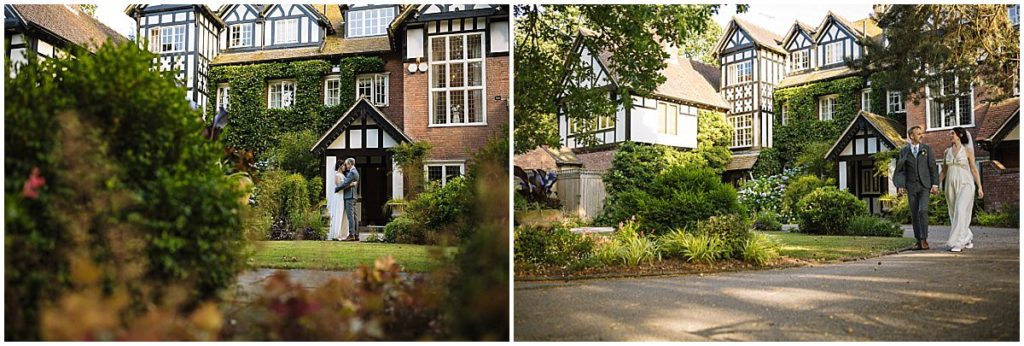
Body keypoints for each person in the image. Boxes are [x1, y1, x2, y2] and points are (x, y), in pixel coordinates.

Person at [893, 125, 940, 250]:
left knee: (922, 211)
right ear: (911, 136)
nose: (921, 135)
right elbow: (901, 169)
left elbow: (933, 167)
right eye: (918, 134)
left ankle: (924, 239)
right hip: (911, 186)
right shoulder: (904, 151)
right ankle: (918, 240)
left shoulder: (927, 149)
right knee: (914, 214)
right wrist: (901, 185)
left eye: (921, 133)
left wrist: (935, 184)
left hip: (925, 186)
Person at [940, 127, 984, 252]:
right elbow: (943, 171)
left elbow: (974, 169)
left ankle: (958, 243)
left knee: (960, 209)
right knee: (954, 213)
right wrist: (934, 184)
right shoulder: (946, 152)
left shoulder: (968, 151)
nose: (950, 135)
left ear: (959, 135)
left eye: (952, 133)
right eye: (950, 133)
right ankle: (967, 237)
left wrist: (979, 187)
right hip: (950, 185)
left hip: (966, 183)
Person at [328, 160, 355, 241]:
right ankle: (336, 234)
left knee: (343, 215)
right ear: (340, 166)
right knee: (338, 213)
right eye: (343, 165)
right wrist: (351, 184)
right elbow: (339, 187)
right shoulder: (337, 175)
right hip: (338, 197)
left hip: (342, 197)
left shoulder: (343, 175)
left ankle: (343, 233)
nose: (345, 167)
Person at [336, 157, 360, 241]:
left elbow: (345, 183)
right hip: (353, 196)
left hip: (350, 196)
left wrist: (336, 189)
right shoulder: (355, 172)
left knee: (350, 216)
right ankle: (356, 235)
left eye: (346, 164)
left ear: (350, 164)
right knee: (354, 216)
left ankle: (351, 234)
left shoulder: (352, 172)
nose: (346, 166)